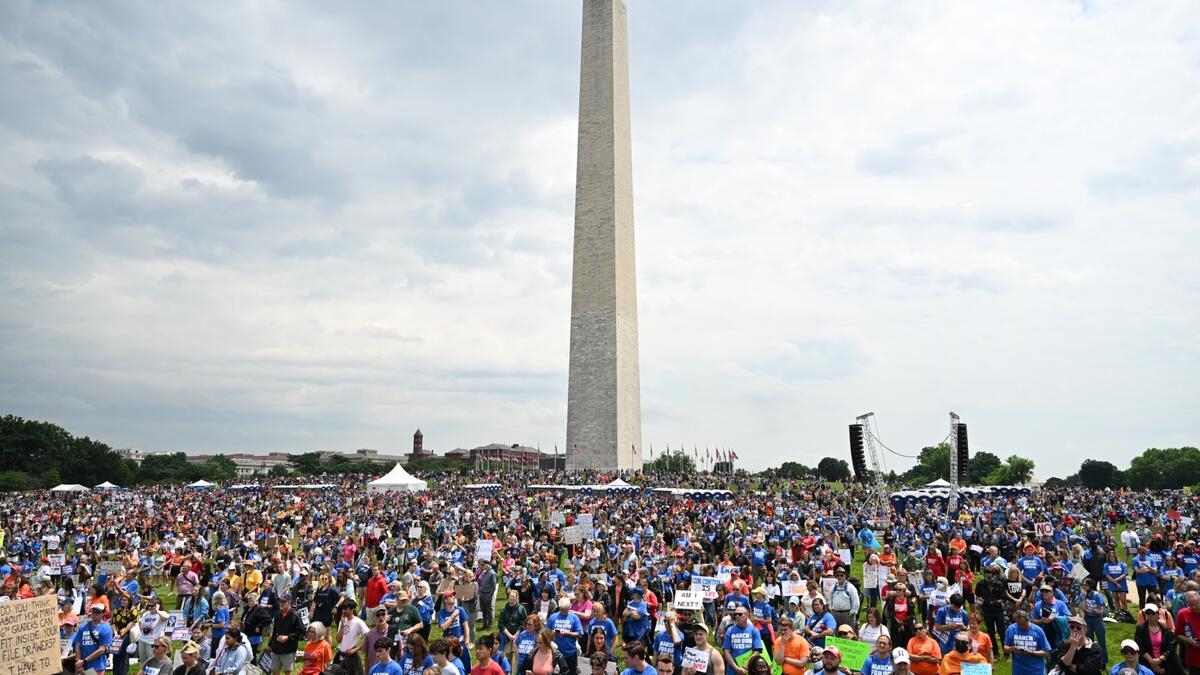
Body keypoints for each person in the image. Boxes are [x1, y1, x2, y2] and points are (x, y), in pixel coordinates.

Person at [1134, 603, 1181, 675]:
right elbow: (1140, 646)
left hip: (1166, 663)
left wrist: (1161, 659)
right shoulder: (1140, 630)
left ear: (1157, 614)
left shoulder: (1166, 630)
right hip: (1147, 663)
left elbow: (1172, 646)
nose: (1150, 615)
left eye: (1152, 613)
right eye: (1147, 613)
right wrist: (1152, 662)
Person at [1005, 610, 1051, 675]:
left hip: (1036, 671)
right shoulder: (1011, 629)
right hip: (1018, 671)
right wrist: (1012, 648)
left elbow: (1046, 653)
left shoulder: (1038, 631)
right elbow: (1005, 648)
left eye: (1023, 624)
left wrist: (1031, 652)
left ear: (1028, 620)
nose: (1021, 627)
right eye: (1019, 624)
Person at [269, 594, 306, 675]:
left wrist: (288, 637)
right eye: (280, 601)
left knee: (287, 672)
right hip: (276, 649)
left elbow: (302, 632)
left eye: (283, 601)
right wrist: (270, 645)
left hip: (288, 650)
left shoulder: (295, 615)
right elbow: (274, 630)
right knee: (274, 671)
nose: (281, 603)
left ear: (289, 602)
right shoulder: (278, 614)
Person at [722, 602, 764, 674]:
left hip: (749, 669)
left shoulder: (754, 630)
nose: (737, 616)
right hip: (732, 670)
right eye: (735, 614)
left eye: (740, 614)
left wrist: (745, 666)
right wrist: (736, 668)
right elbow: (726, 652)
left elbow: (757, 651)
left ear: (747, 615)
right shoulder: (730, 630)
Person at [73, 604, 114, 675]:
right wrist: (79, 662)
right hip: (82, 665)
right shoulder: (83, 627)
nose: (94, 614)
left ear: (103, 614)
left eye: (97, 612)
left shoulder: (106, 628)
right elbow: (77, 646)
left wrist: (84, 661)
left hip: (97, 666)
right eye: (93, 611)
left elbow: (101, 650)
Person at [549, 597, 584, 675]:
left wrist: (566, 633)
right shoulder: (552, 617)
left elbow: (579, 634)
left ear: (569, 607)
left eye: (565, 609)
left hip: (570, 653)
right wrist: (552, 633)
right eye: (561, 609)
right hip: (555, 653)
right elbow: (546, 633)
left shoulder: (574, 618)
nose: (563, 611)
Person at [337, 598, 370, 675]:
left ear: (352, 609)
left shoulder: (358, 622)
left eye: (346, 609)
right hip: (341, 655)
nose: (343, 611)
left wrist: (356, 649)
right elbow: (338, 640)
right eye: (343, 609)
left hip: (352, 656)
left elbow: (369, 638)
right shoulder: (342, 621)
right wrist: (342, 625)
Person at [501, 590, 529, 660]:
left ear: (517, 598)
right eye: (510, 596)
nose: (511, 598)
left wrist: (515, 635)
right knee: (508, 657)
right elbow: (501, 624)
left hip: (518, 636)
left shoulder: (521, 609)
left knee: (518, 657)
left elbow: (524, 623)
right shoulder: (504, 609)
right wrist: (509, 635)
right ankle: (509, 671)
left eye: (513, 597)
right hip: (507, 636)